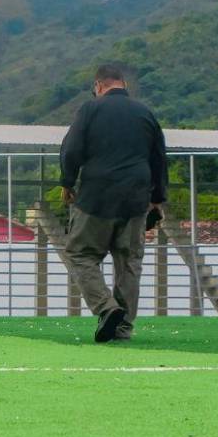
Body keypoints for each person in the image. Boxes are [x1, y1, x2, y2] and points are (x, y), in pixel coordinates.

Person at [60, 65, 167, 343]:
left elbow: (72, 148)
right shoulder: (145, 113)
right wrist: (157, 199)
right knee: (129, 262)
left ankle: (107, 308)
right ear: (123, 84)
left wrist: (67, 182)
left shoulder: (90, 110)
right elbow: (158, 158)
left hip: (97, 196)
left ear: (98, 85)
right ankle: (123, 328)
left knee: (81, 254)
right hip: (135, 197)